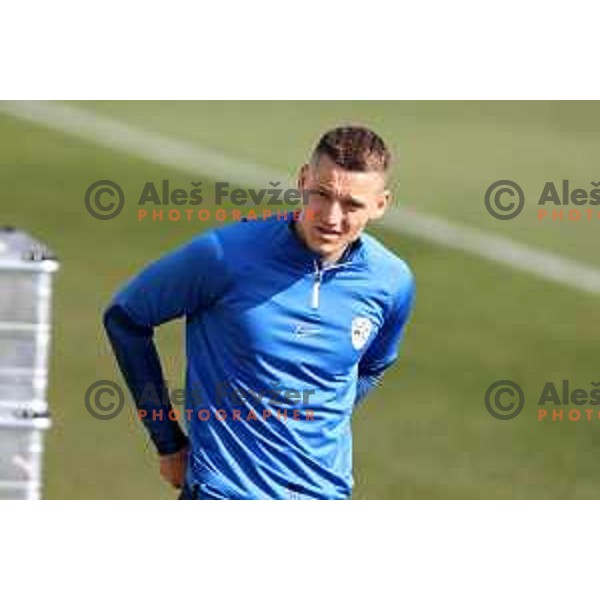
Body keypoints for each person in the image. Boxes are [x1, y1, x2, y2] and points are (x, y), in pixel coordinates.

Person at [103, 126, 415, 499]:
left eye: (351, 205)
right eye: (322, 195)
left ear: (381, 205)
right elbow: (126, 317)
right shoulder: (224, 256)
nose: (332, 217)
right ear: (302, 180)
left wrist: (311, 421)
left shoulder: (391, 281)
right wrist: (168, 443)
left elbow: (372, 367)